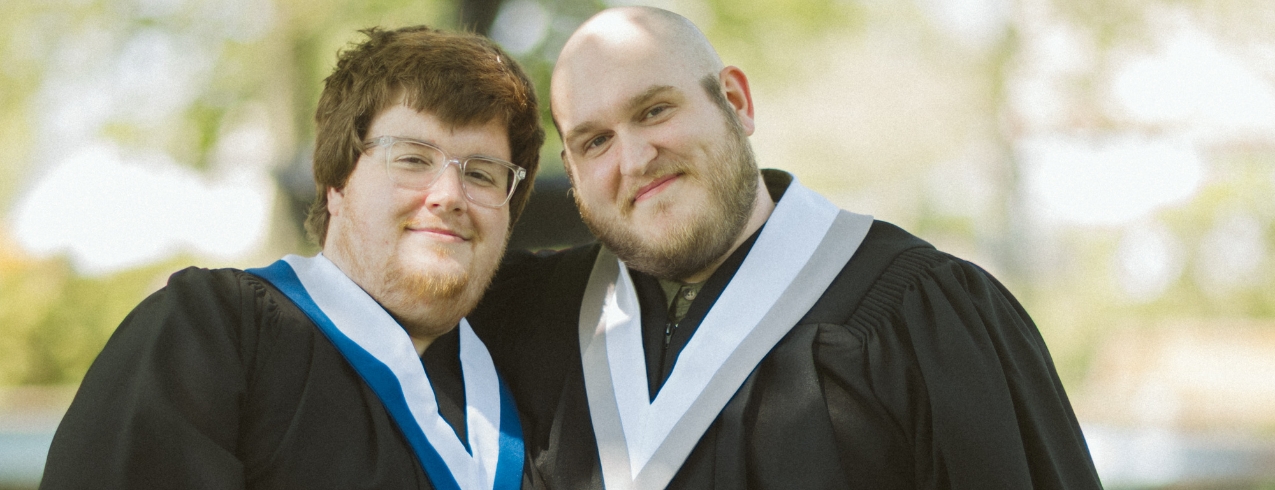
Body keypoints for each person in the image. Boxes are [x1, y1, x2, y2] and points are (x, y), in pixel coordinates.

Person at [468, 7, 1102, 489]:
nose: (634, 159)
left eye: (656, 110)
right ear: (571, 169)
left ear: (736, 103)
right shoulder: (524, 320)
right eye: (595, 141)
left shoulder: (925, 316)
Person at [41, 25, 544, 490]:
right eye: (412, 159)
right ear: (336, 185)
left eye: (482, 174)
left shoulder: (537, 385)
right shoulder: (215, 332)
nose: (449, 194)